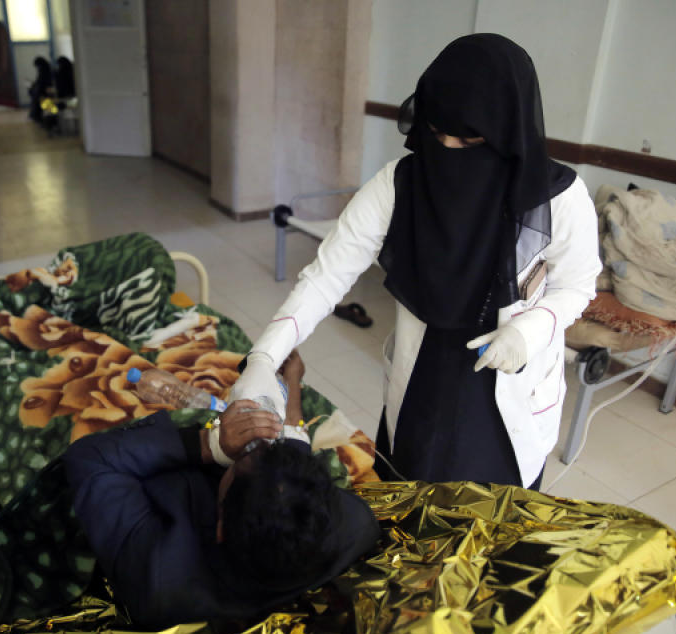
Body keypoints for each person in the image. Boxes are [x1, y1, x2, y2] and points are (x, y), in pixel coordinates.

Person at [230, 34, 601, 490]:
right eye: (436, 132)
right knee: (409, 497)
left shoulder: (558, 198)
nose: (447, 149)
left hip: (509, 377)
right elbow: (327, 276)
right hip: (426, 372)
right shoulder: (400, 184)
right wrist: (265, 357)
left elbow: (579, 285)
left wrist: (534, 328)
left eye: (469, 139)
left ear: (508, 129)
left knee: (491, 524)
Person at [63, 351, 379, 629]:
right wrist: (292, 382)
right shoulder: (353, 525)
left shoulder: (160, 577)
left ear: (219, 527)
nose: (249, 448)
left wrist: (209, 445)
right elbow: (292, 472)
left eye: (239, 461)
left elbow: (87, 459)